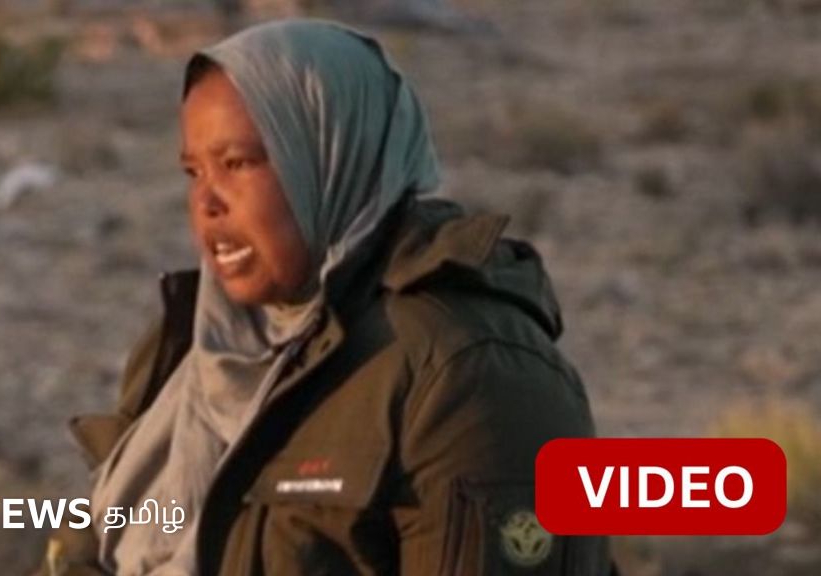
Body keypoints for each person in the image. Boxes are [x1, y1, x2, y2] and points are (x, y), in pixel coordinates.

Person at [37, 19, 613, 576]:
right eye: (194, 172)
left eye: (237, 164)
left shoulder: (466, 373)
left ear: (329, 156)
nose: (207, 203)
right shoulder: (191, 351)